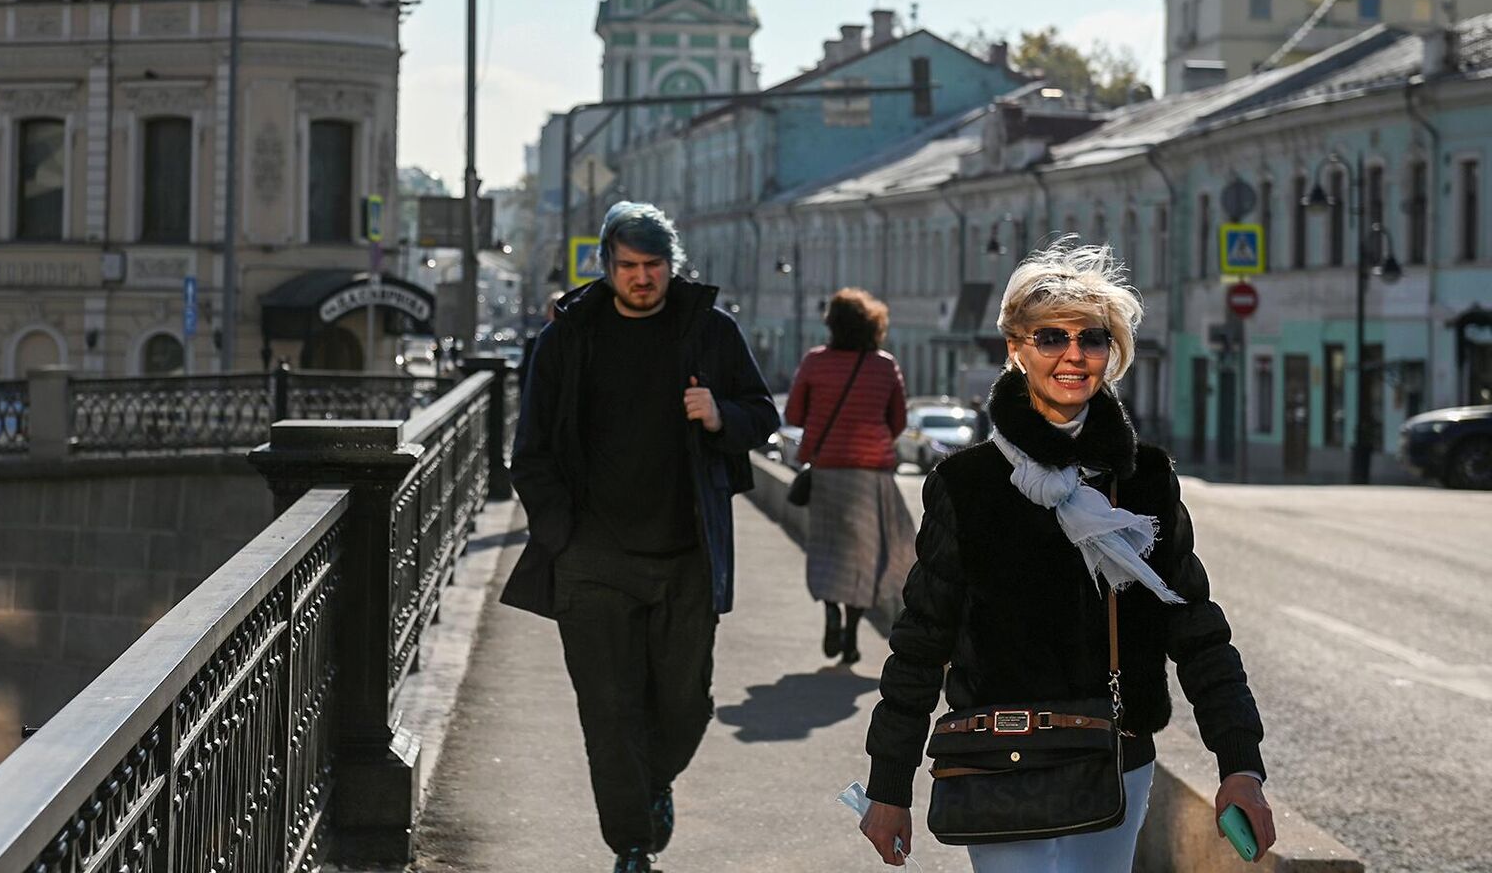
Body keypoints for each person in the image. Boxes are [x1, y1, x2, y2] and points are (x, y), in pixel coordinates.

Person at [858, 240, 1275, 869]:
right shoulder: (967, 485)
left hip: (1115, 757)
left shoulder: (1143, 482)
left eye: (1093, 339)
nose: (1074, 355)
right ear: (1017, 349)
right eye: (1051, 337)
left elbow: (1196, 629)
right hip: (998, 759)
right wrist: (889, 785)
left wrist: (1241, 763)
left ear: (1112, 354)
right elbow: (922, 639)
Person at [503, 201, 778, 872]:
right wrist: (560, 532)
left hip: (686, 554)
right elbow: (530, 451)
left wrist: (721, 414)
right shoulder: (568, 339)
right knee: (607, 707)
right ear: (606, 267)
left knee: (686, 704)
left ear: (671, 266)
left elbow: (763, 415)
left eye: (654, 265)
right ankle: (631, 842)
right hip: (591, 559)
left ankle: (651, 786)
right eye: (628, 266)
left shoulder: (709, 330)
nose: (642, 278)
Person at [784, 288, 911, 665]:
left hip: (826, 469)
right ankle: (853, 633)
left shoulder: (815, 362)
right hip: (871, 475)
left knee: (826, 548)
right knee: (864, 557)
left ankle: (830, 612)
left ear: (831, 325)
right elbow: (899, 420)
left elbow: (793, 415)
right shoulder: (884, 365)